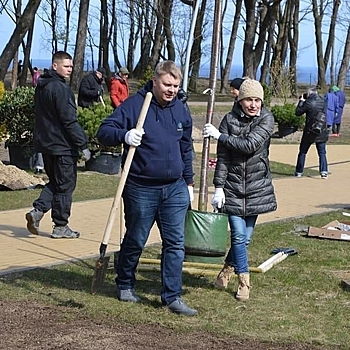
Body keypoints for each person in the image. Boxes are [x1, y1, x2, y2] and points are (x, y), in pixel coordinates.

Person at [97, 60, 197, 316]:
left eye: (176, 85)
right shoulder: (135, 106)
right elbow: (104, 131)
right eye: (167, 84)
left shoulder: (180, 110)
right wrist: (125, 135)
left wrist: (188, 182)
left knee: (176, 243)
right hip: (141, 187)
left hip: (174, 188)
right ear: (155, 81)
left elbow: (186, 148)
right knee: (136, 239)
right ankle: (125, 283)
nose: (172, 89)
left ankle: (172, 296)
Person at [203, 79, 277, 302]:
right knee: (237, 235)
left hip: (256, 187)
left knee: (244, 240)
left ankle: (226, 270)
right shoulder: (229, 119)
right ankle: (244, 281)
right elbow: (224, 157)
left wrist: (220, 136)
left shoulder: (266, 118)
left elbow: (249, 146)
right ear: (240, 99)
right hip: (233, 187)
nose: (253, 104)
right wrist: (218, 188)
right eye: (249, 100)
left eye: (257, 100)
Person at [25, 51, 91, 238]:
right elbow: (69, 120)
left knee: (55, 182)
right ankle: (60, 226)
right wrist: (83, 145)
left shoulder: (42, 86)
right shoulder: (60, 89)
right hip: (61, 146)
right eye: (66, 66)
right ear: (55, 66)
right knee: (65, 186)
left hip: (46, 145)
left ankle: (37, 212)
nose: (70, 69)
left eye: (71, 66)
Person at [294, 87, 328, 179]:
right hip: (321, 130)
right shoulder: (323, 101)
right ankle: (324, 171)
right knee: (322, 153)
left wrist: (301, 101)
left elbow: (297, 112)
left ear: (309, 94)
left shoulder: (308, 102)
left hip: (310, 131)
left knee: (303, 152)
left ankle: (299, 171)